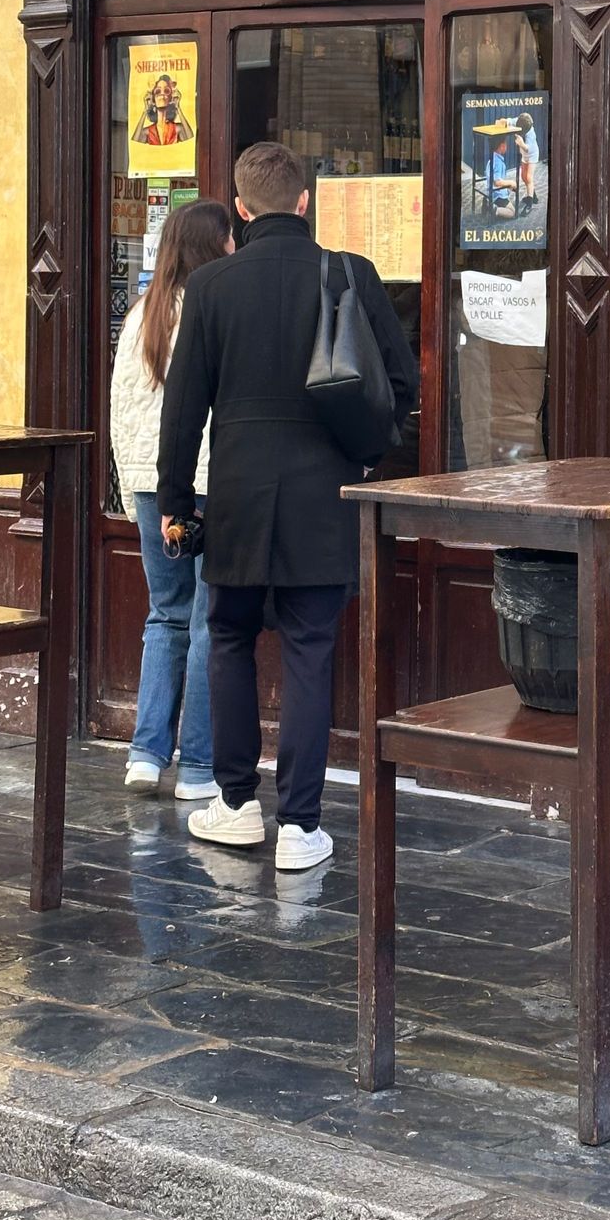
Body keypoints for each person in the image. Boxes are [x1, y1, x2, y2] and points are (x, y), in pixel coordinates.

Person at [157, 141, 418, 872]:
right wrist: (362, 453)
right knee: (311, 649)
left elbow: (183, 411)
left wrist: (175, 501)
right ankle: (301, 826)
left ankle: (236, 805)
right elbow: (401, 383)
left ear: (241, 209)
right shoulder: (351, 273)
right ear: (305, 201)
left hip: (237, 494)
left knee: (230, 640)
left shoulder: (210, 287)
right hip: (323, 493)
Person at [109, 198, 234, 800]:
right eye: (229, 238)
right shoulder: (214, 309)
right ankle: (199, 767)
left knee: (165, 612)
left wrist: (131, 484)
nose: (235, 247)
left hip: (147, 483)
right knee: (209, 617)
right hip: (204, 481)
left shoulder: (141, 314)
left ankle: (145, 753)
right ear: (213, 246)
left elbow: (120, 407)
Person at [514, 111, 540, 207]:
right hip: (524, 155)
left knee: (529, 177)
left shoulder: (531, 133)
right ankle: (534, 196)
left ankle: (529, 202)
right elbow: (509, 121)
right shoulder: (518, 121)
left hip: (532, 154)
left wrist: (521, 144)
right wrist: (503, 121)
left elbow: (527, 148)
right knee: (523, 176)